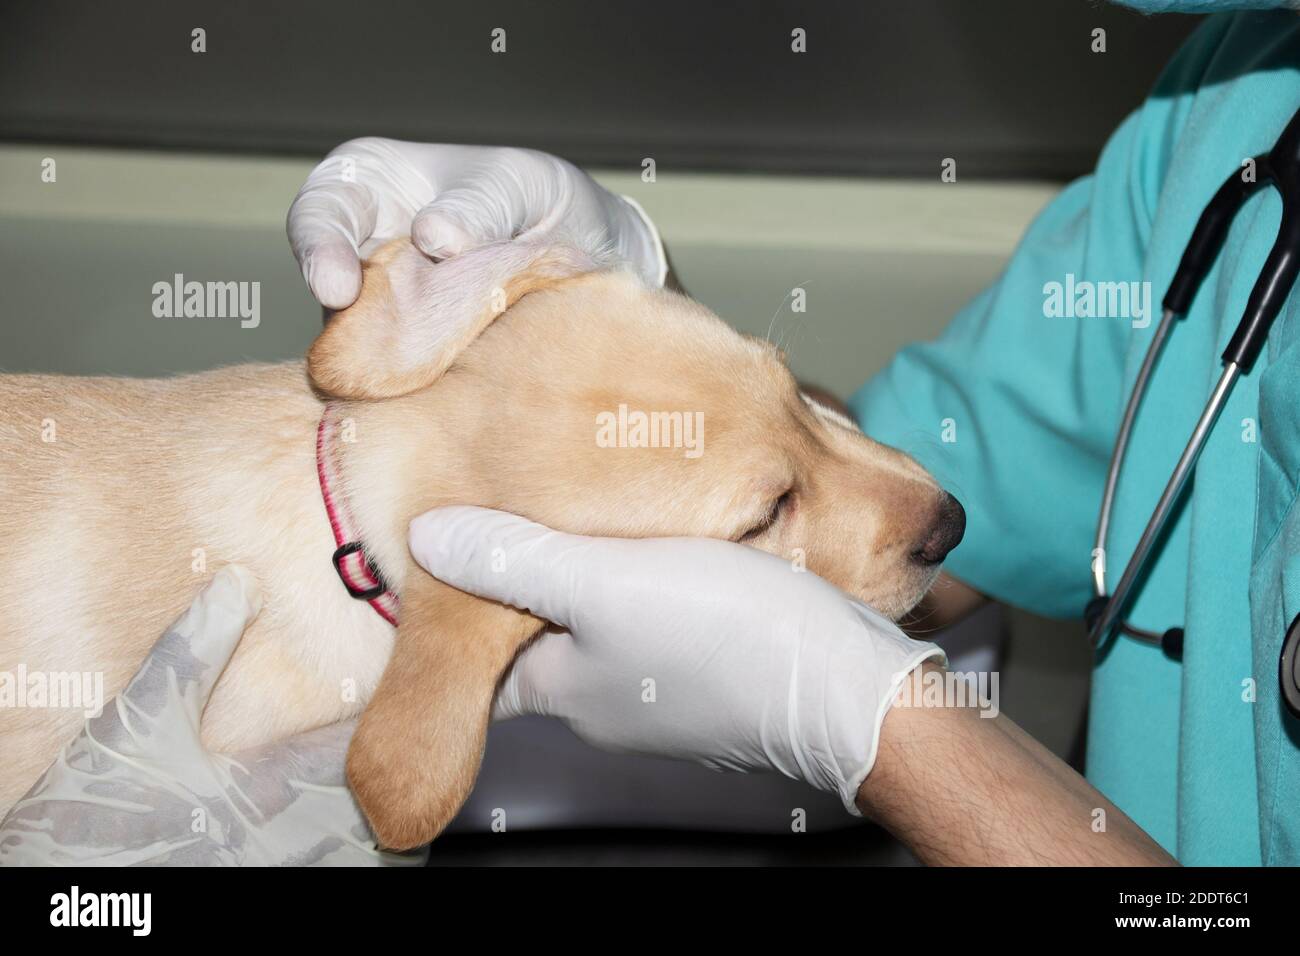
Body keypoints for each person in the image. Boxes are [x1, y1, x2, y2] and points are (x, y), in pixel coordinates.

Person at [8, 0, 1294, 865]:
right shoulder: (1224, 109)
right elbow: (946, 486)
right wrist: (635, 306)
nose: (904, 487)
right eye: (773, 485)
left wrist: (891, 733)